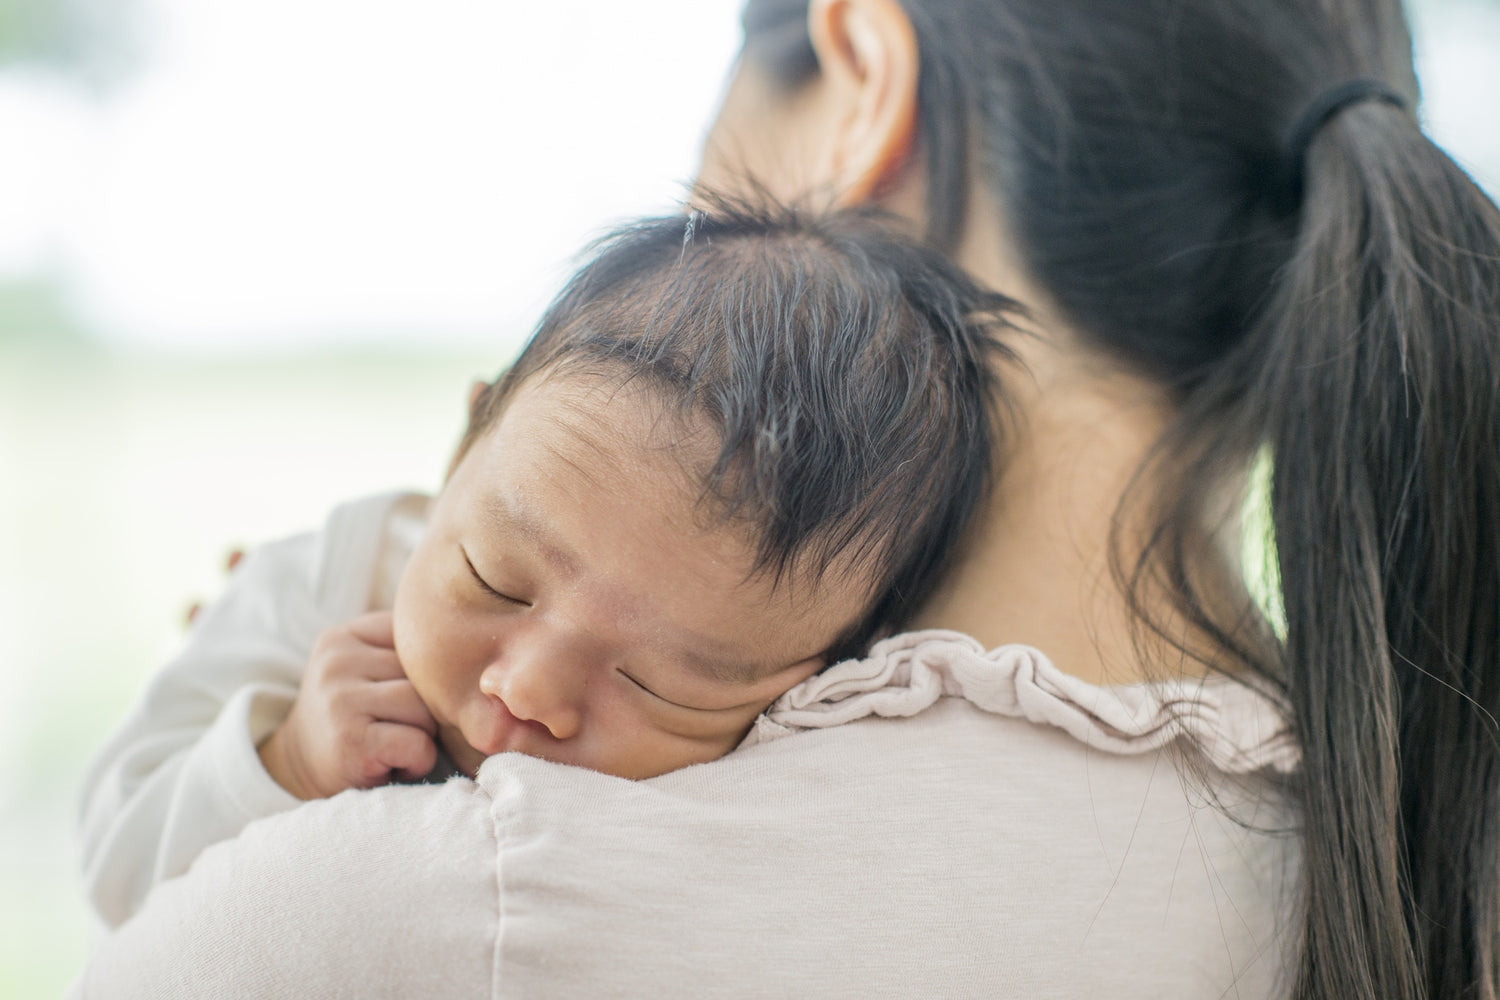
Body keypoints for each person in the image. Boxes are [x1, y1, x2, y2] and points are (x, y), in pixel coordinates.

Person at [70, 0, 1500, 998]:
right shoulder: (1415, 842)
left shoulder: (425, 902)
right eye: (502, 577)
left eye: (682, 672)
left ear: (864, 77)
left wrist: (256, 783)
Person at [78, 202, 1016, 925]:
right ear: (461, 452)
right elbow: (117, 867)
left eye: (662, 682)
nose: (528, 690)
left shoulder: (823, 754)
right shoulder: (326, 579)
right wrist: (283, 760)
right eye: (494, 579)